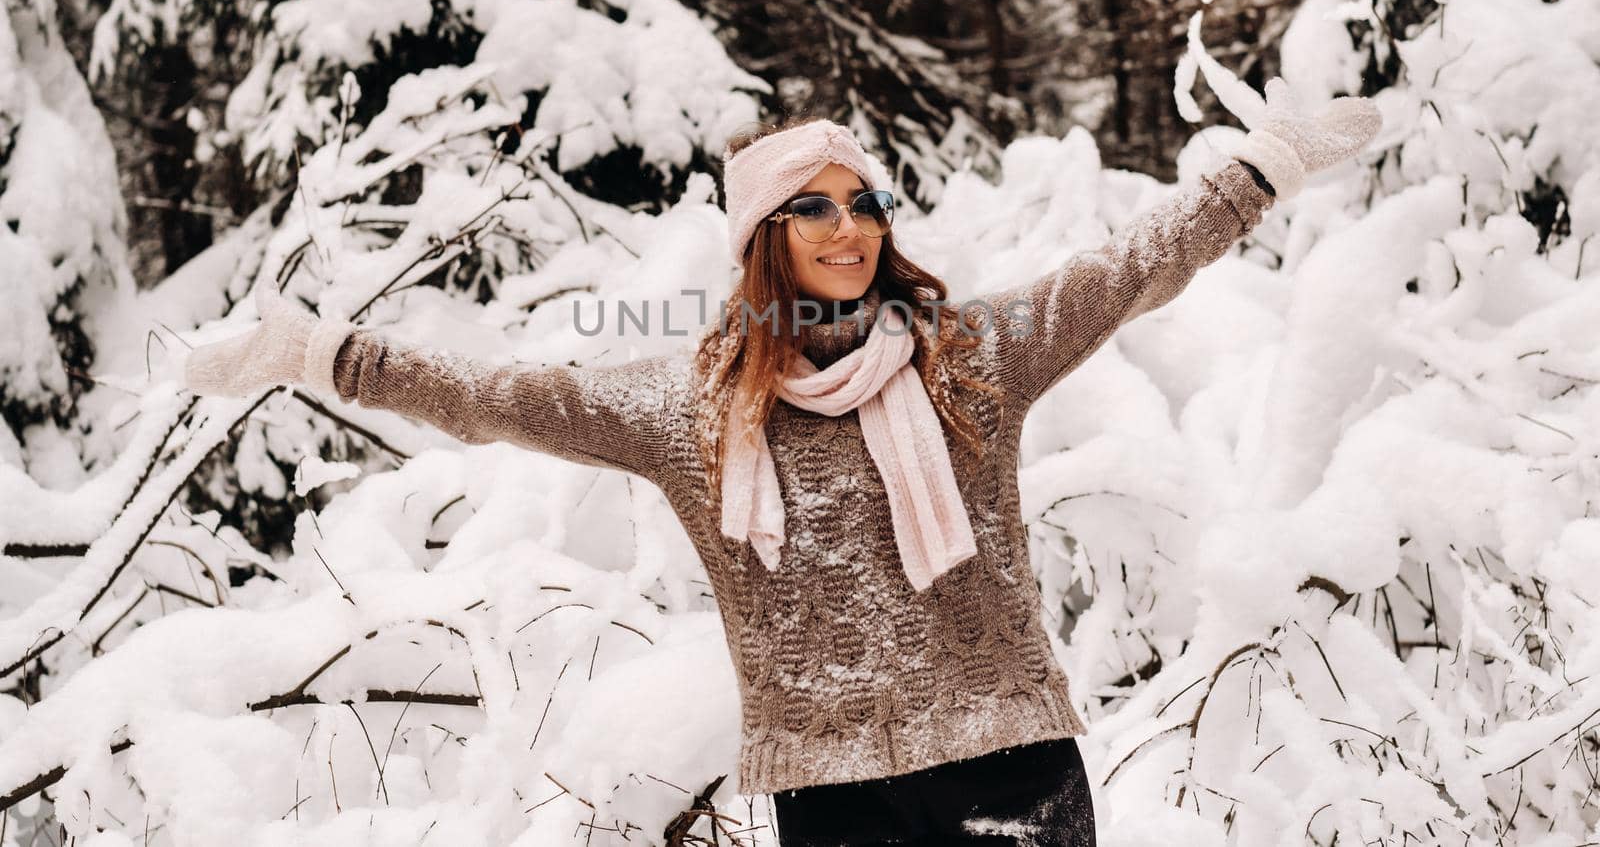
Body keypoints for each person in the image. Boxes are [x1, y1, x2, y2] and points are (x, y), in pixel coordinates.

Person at [183, 78, 1381, 845]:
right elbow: (496, 396)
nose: (851, 225)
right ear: (764, 236)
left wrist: (1258, 167)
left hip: (1007, 766)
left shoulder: (966, 360)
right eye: (814, 208)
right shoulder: (690, 410)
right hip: (830, 799)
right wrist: (319, 351)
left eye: (864, 200)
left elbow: (1127, 267)